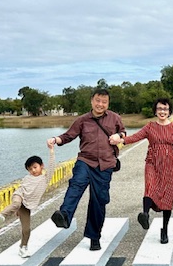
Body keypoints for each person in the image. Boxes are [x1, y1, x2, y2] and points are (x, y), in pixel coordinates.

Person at [47, 88, 126, 251]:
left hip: (105, 164)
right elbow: (68, 136)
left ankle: (94, 237)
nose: (100, 104)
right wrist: (55, 139)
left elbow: (123, 133)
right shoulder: (82, 120)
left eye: (104, 102)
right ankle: (65, 215)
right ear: (92, 101)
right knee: (76, 184)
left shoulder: (114, 118)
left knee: (98, 201)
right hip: (85, 161)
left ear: (108, 103)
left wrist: (119, 136)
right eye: (98, 101)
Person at [119, 98, 173, 244]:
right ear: (155, 111)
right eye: (159, 109)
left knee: (167, 196)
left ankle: (164, 230)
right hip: (152, 162)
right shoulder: (150, 126)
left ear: (169, 111)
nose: (162, 112)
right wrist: (120, 140)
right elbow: (135, 137)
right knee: (150, 187)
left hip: (169, 165)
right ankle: (145, 214)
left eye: (165, 109)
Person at [0, 146, 56, 258]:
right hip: (19, 196)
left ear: (42, 166)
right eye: (30, 169)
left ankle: (23, 247)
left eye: (35, 167)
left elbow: (52, 166)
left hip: (26, 206)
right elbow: (22, 189)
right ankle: (1, 216)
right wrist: (17, 207)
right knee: (16, 204)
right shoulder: (27, 178)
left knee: (26, 229)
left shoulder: (45, 178)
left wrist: (51, 151)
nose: (33, 170)